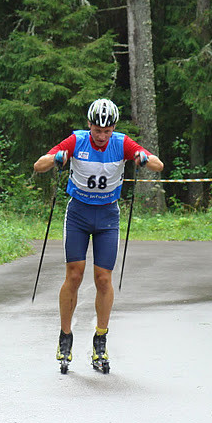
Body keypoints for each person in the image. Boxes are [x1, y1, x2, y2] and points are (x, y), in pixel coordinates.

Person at [33, 98, 163, 371]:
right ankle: (65, 336)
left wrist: (143, 158)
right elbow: (39, 165)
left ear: (113, 128)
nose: (102, 136)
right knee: (75, 274)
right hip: (79, 214)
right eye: (97, 130)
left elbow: (158, 165)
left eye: (107, 131)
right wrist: (56, 157)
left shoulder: (122, 143)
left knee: (103, 279)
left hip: (107, 217)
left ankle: (100, 339)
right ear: (89, 125)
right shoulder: (77, 141)